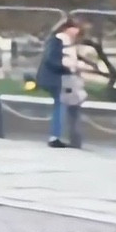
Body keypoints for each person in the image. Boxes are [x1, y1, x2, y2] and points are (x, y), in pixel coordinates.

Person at [37, 15, 83, 147]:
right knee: (61, 105)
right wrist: (66, 66)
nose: (77, 32)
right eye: (75, 28)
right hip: (54, 78)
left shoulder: (66, 42)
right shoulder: (57, 40)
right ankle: (55, 136)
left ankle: (63, 136)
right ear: (67, 28)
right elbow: (51, 59)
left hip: (60, 78)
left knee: (65, 104)